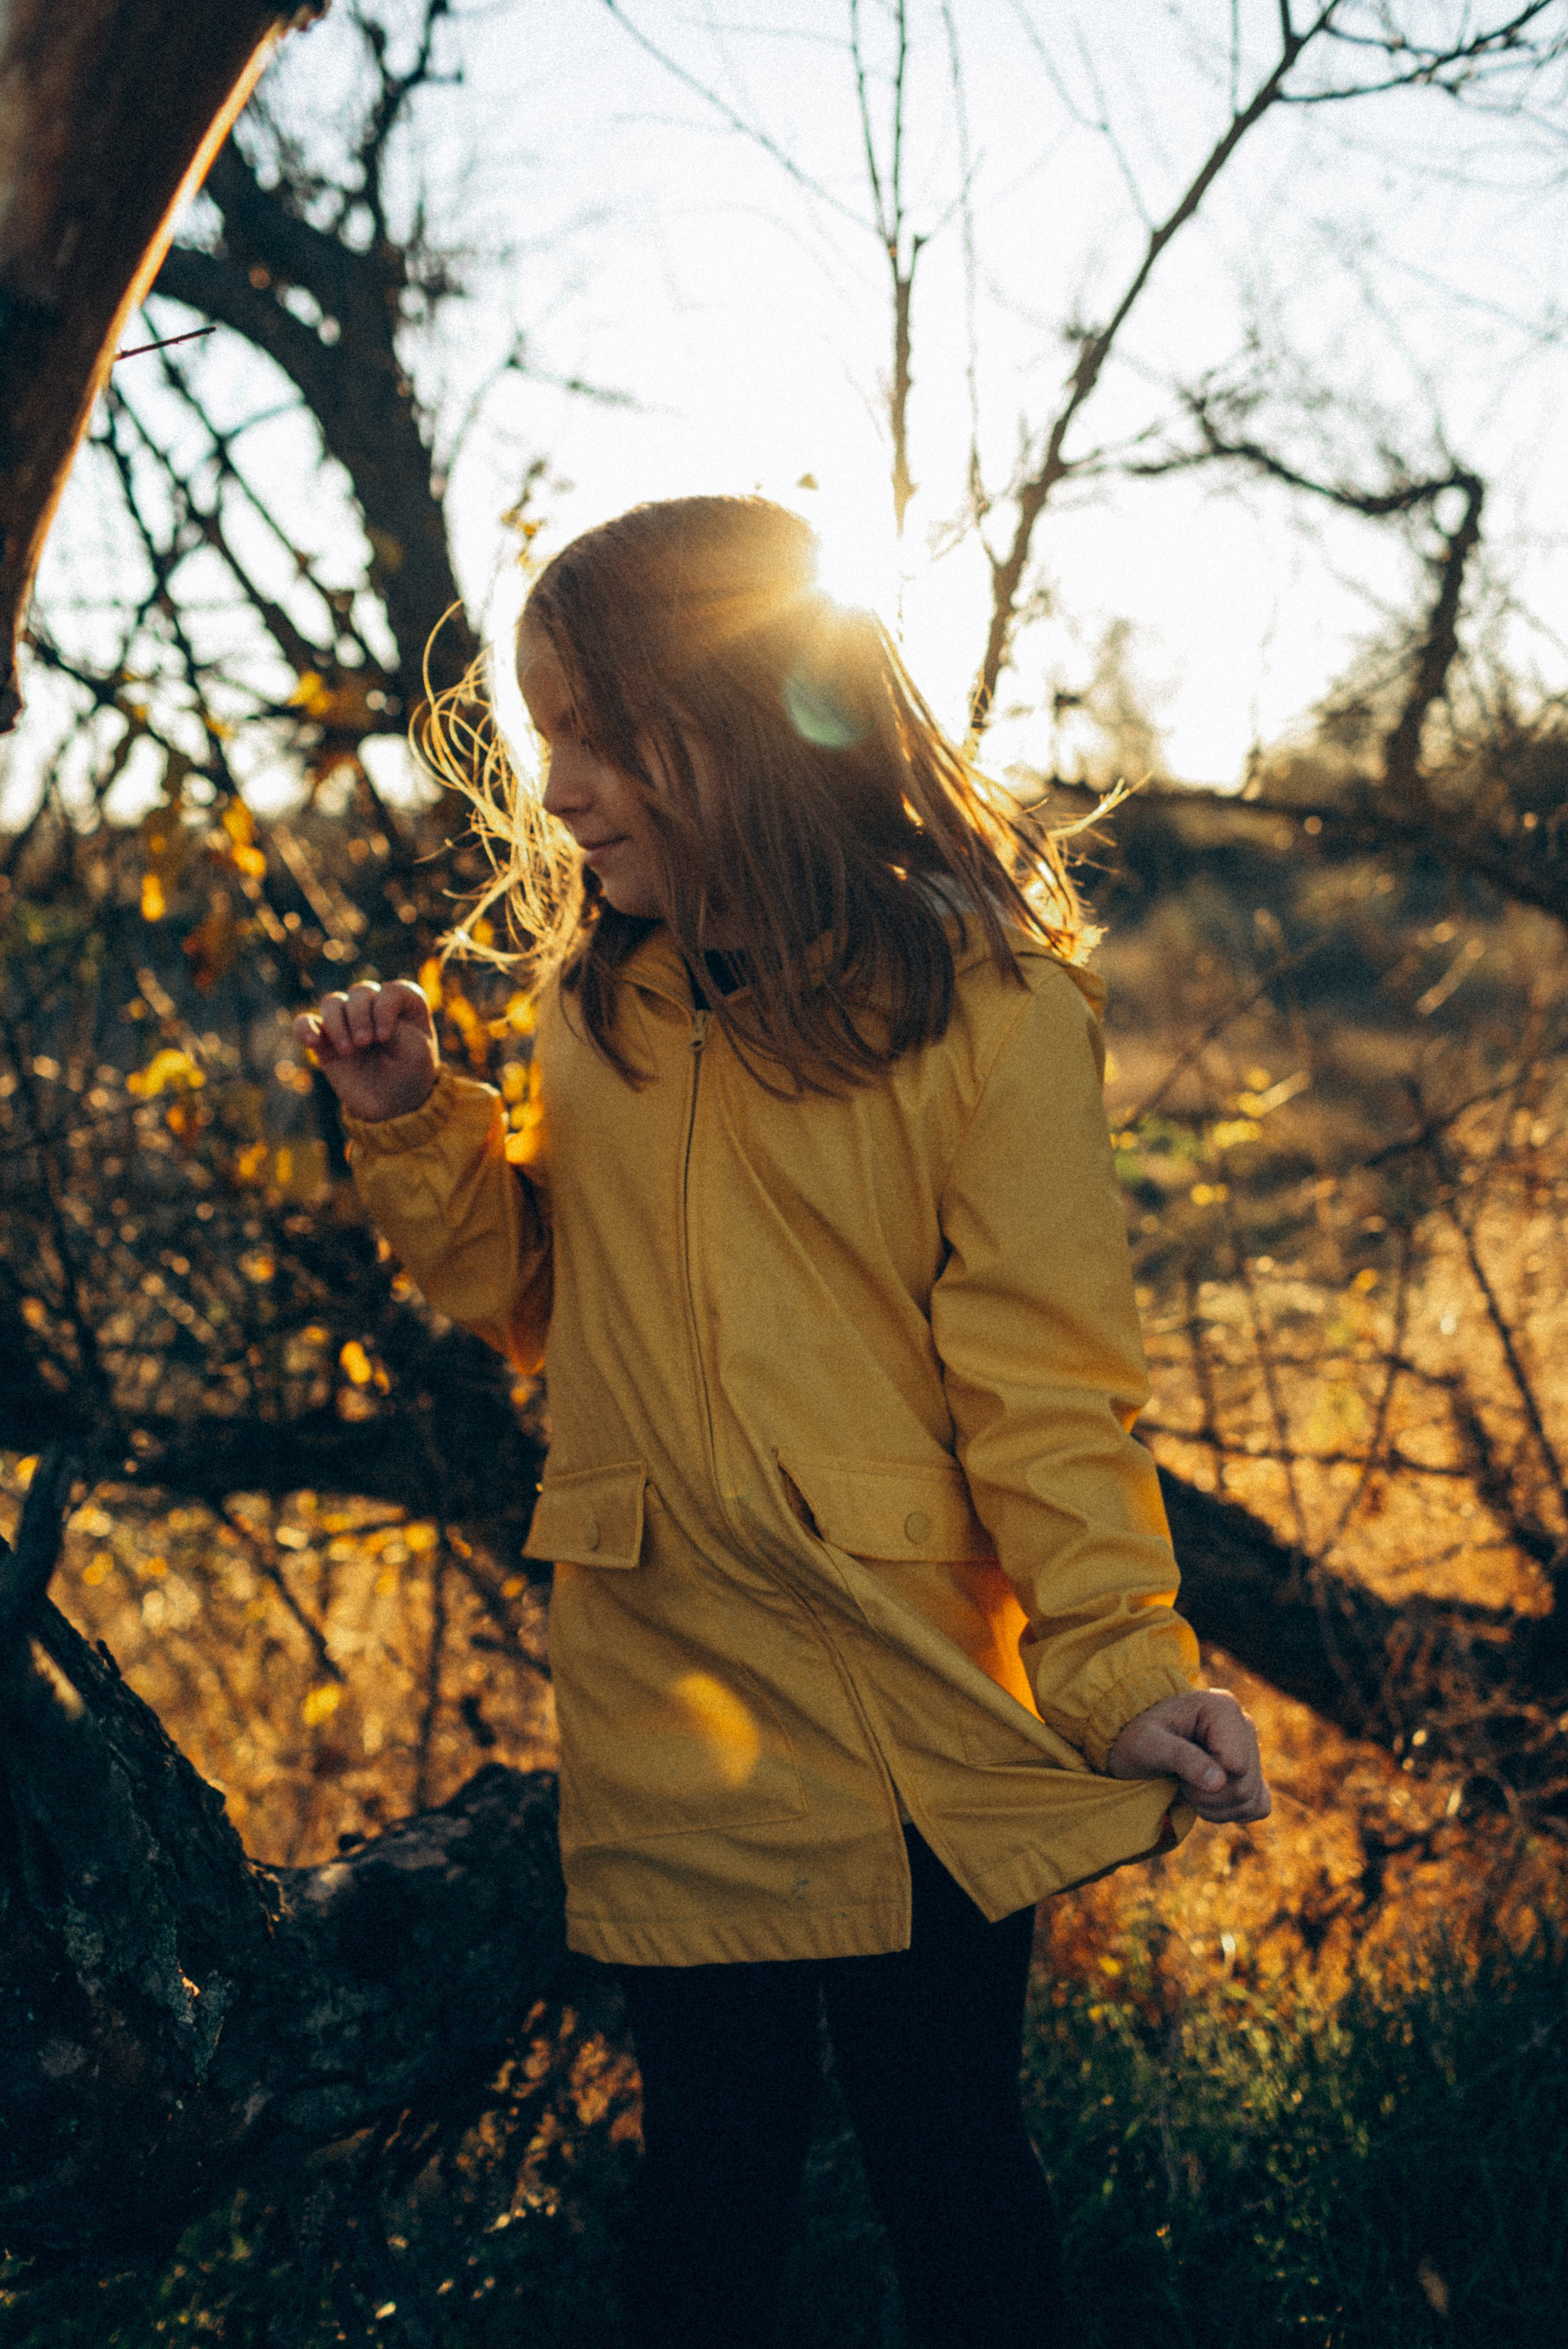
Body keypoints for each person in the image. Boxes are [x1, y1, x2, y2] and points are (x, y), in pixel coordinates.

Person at [296, 494, 1270, 2349]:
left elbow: (1048, 1381)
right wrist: (420, 1120)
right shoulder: (603, 1006)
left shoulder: (981, 1001)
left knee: (952, 2164)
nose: (559, 785)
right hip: (675, 1699)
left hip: (910, 1693)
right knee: (709, 2197)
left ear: (741, 718)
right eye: (542, 732)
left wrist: (1122, 1660)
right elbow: (539, 1305)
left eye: (604, 734)